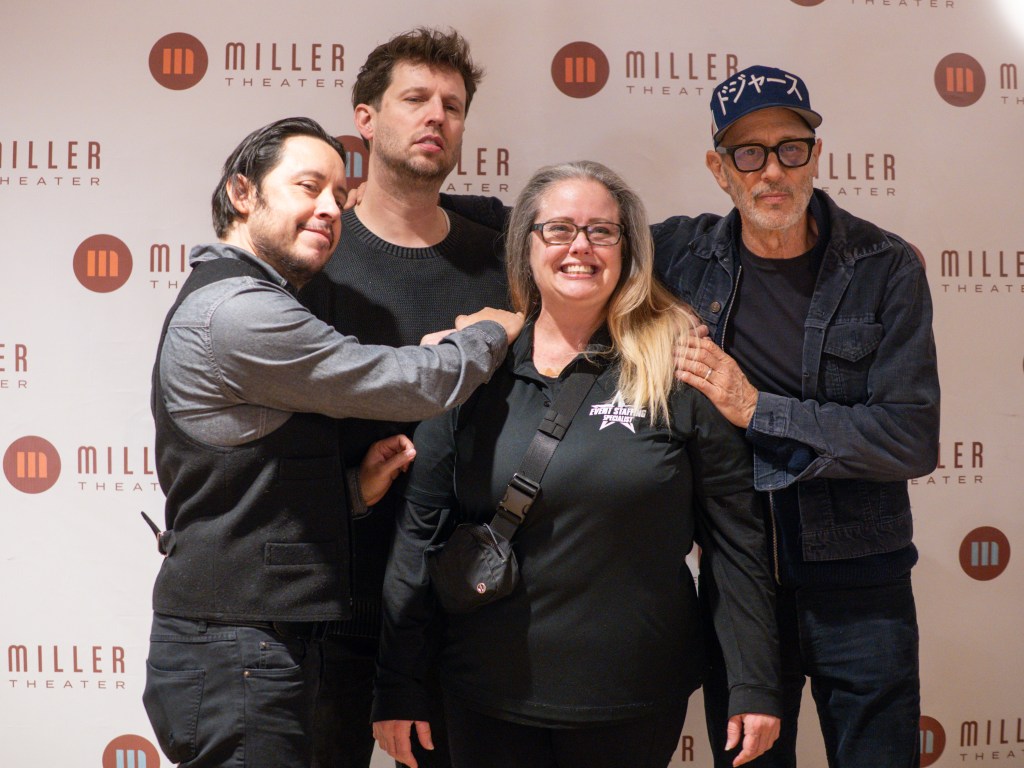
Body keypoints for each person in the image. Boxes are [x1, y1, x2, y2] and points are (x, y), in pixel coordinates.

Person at [371, 160, 782, 768]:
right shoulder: (472, 370)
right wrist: (398, 682)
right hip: (483, 696)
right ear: (527, 246)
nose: (580, 247)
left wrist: (754, 681)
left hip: (633, 699)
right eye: (559, 229)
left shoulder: (678, 366)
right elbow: (418, 536)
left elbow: (736, 541)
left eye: (602, 231)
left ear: (627, 248)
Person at [142, 116, 522, 768]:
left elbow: (236, 481)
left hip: (248, 646)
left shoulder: (243, 297)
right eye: (308, 186)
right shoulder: (241, 312)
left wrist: (349, 491)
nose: (329, 208)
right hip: (238, 650)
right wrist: (487, 332)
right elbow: (403, 382)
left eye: (339, 196)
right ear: (242, 193)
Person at [663, 66, 940, 767]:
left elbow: (910, 438)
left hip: (864, 585)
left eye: (790, 149)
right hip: (743, 585)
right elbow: (570, 232)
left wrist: (758, 409)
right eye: (748, 153)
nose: (772, 171)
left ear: (815, 156)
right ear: (719, 170)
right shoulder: (681, 257)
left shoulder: (884, 267)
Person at [298, 28, 508, 768]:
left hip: (466, 602)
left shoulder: (501, 253)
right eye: (415, 98)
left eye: (452, 105)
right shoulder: (314, 258)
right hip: (336, 599)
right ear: (365, 117)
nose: (436, 117)